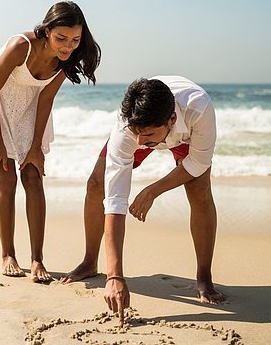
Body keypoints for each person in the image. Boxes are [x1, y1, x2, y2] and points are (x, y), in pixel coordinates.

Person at [62, 76, 225, 322]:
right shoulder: (128, 128)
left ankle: (204, 277)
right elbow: (115, 198)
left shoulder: (199, 108)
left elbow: (199, 162)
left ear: (171, 120)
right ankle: (89, 261)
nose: (140, 143)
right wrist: (114, 276)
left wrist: (152, 190)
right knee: (96, 184)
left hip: (185, 136)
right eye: (135, 133)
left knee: (200, 192)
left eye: (146, 135)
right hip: (149, 124)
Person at [0, 1, 100, 282]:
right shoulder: (20, 46)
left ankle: (37, 259)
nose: (68, 46)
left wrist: (36, 146)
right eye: (61, 38)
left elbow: (46, 98)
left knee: (34, 176)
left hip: (30, 110)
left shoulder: (68, 58)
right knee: (7, 176)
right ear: (46, 30)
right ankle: (8, 254)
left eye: (75, 39)